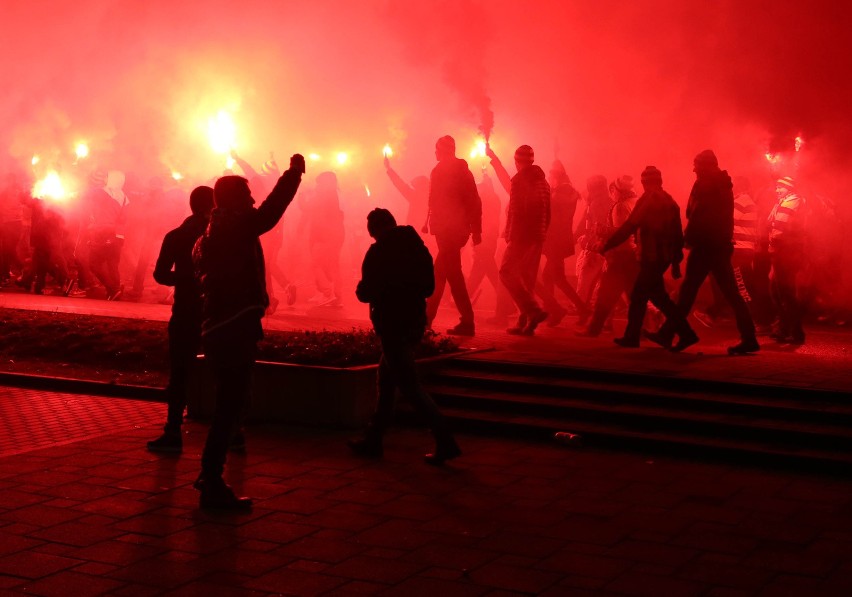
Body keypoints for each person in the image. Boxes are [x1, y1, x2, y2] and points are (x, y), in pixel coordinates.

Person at [192, 153, 304, 510]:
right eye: (247, 194)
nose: (253, 199)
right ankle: (211, 480)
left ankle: (211, 474)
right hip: (233, 325)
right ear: (234, 200)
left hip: (221, 325)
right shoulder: (234, 227)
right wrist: (293, 175)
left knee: (230, 404)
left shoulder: (213, 230)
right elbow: (271, 211)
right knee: (228, 407)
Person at [348, 208, 461, 465]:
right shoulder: (418, 249)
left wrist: (373, 289)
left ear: (373, 229)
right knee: (386, 380)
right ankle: (373, 440)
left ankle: (445, 440)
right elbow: (429, 287)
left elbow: (365, 292)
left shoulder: (377, 253)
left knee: (409, 385)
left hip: (390, 324)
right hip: (414, 322)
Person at [652, 150, 759, 355]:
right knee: (710, 292)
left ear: (707, 165)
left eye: (697, 165)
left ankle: (673, 333)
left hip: (707, 246)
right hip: (717, 245)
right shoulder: (721, 184)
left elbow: (698, 215)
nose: (694, 169)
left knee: (690, 291)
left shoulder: (708, 184)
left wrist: (686, 239)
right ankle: (748, 337)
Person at [147, 186, 215, 453]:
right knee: (221, 371)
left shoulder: (176, 235)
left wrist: (185, 280)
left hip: (185, 309)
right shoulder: (219, 234)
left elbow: (161, 274)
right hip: (215, 310)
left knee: (179, 372)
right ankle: (234, 433)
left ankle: (173, 430)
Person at [599, 166, 697, 349]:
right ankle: (684, 334)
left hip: (651, 257)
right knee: (659, 298)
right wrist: (675, 262)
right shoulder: (670, 201)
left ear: (645, 183)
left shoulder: (648, 200)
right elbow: (678, 234)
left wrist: (607, 245)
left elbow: (629, 226)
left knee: (638, 296)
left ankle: (632, 337)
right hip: (664, 258)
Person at [488, 144, 551, 335]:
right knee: (528, 278)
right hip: (538, 235)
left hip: (521, 235)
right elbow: (548, 212)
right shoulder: (543, 182)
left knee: (506, 272)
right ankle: (527, 324)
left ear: (517, 162)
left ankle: (532, 310)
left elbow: (516, 211)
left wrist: (510, 235)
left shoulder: (519, 180)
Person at [424, 135, 482, 336]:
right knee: (448, 273)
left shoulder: (443, 171)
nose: (435, 152)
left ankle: (428, 320)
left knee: (444, 274)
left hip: (448, 230)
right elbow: (474, 202)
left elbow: (443, 203)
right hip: (454, 230)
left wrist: (476, 231)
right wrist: (475, 230)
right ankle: (464, 321)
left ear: (444, 150)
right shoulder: (463, 171)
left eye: (437, 149)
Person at [577, 176, 639, 337]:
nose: (612, 194)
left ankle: (594, 328)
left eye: (614, 190)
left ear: (618, 191)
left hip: (620, 256)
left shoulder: (620, 207)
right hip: (630, 254)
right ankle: (640, 328)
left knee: (605, 294)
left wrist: (602, 233)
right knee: (631, 295)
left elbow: (620, 233)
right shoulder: (634, 203)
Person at [536, 160, 588, 327]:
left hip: (556, 240)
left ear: (557, 177)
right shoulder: (563, 192)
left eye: (551, 176)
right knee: (554, 277)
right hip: (557, 240)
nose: (549, 179)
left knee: (556, 278)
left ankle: (559, 311)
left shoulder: (561, 193)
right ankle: (555, 310)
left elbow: (551, 212)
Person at [767, 176, 807, 344]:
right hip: (783, 252)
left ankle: (794, 332)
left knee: (785, 293)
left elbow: (779, 229)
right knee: (777, 291)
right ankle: (784, 329)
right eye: (776, 187)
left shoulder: (791, 202)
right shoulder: (785, 202)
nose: (777, 190)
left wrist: (773, 246)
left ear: (789, 188)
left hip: (785, 253)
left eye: (780, 187)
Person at [575, 175, 611, 317]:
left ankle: (582, 312)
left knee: (584, 284)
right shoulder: (610, 201)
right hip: (606, 248)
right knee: (601, 285)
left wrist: (585, 240)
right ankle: (600, 318)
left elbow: (593, 226)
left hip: (595, 249)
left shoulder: (595, 204)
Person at [87, 170, 127, 301]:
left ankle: (112, 288)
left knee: (93, 263)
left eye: (107, 177)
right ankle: (115, 291)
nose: (105, 179)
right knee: (112, 264)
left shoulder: (103, 192)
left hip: (105, 233)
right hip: (119, 235)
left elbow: (83, 195)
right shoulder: (125, 197)